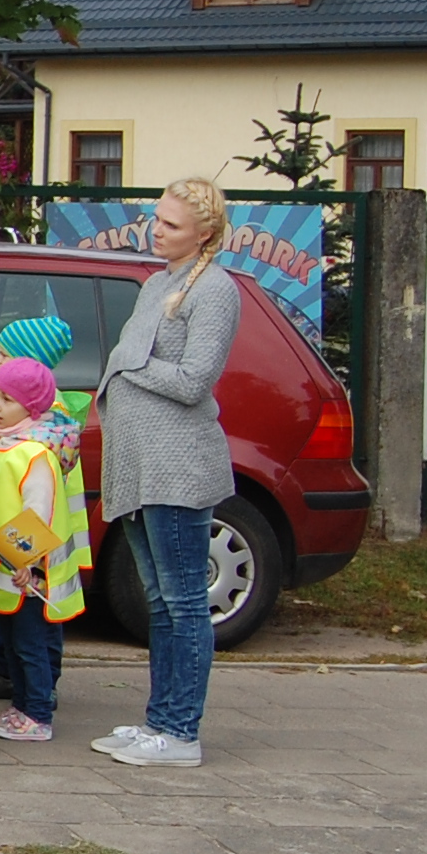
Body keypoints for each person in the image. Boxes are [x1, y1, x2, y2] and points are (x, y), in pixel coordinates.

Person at [92, 177, 241, 769]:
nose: (158, 231)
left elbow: (193, 381)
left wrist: (130, 363)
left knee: (182, 602)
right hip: (137, 465)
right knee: (158, 600)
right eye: (156, 219)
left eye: (172, 225)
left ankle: (182, 731)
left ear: (205, 233)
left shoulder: (217, 290)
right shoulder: (158, 283)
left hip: (177, 467)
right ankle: (159, 720)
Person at [0, 314, 77, 704]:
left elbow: (37, 505)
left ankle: (38, 701)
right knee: (10, 627)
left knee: (33, 635)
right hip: (11, 554)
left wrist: (26, 558)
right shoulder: (10, 425)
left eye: (3, 354)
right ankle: (15, 684)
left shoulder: (34, 438)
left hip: (30, 559)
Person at [0, 356, 88, 742]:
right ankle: (21, 706)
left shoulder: (34, 453)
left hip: (27, 571)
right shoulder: (4, 442)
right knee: (12, 639)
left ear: (33, 406)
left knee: (29, 644)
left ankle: (36, 713)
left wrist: (29, 563)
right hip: (7, 564)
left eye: (8, 399)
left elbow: (38, 513)